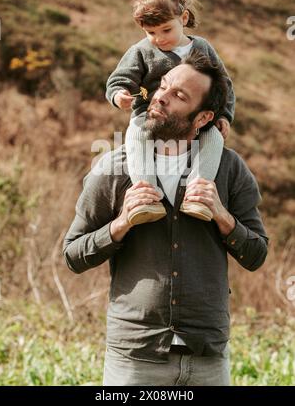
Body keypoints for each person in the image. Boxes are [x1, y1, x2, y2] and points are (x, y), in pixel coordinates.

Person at [64, 51, 268, 386]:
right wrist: (121, 224)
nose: (160, 97)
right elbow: (72, 255)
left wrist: (222, 216)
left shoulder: (230, 170)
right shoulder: (115, 168)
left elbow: (257, 254)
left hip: (207, 359)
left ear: (202, 118)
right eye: (164, 86)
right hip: (135, 358)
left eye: (179, 96)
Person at [105, 0, 235, 225]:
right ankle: (146, 197)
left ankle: (197, 195)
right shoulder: (141, 51)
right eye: (150, 33)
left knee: (213, 140)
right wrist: (119, 95)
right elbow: (120, 78)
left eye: (166, 30)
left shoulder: (202, 47)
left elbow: (224, 85)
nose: (158, 39)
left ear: (183, 18)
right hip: (149, 114)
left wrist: (224, 116)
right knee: (136, 135)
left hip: (194, 119)